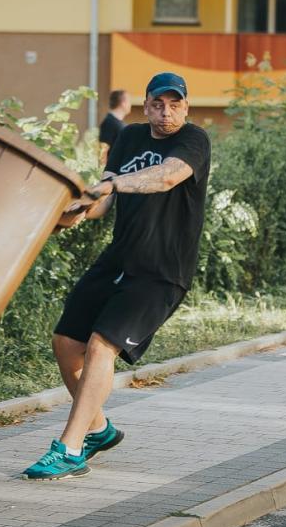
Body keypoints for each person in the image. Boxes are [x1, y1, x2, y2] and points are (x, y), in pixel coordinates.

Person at [21, 72, 211, 480]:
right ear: (146, 106)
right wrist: (71, 213)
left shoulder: (193, 140)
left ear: (186, 107)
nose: (166, 112)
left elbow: (166, 177)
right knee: (65, 342)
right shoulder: (127, 139)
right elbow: (102, 202)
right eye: (158, 104)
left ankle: (69, 449)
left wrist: (113, 186)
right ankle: (100, 429)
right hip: (118, 260)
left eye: (174, 104)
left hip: (162, 271)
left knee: (101, 345)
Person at [98, 89, 132, 166]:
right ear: (123, 103)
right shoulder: (109, 122)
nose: (130, 104)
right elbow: (103, 148)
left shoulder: (118, 123)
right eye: (129, 101)